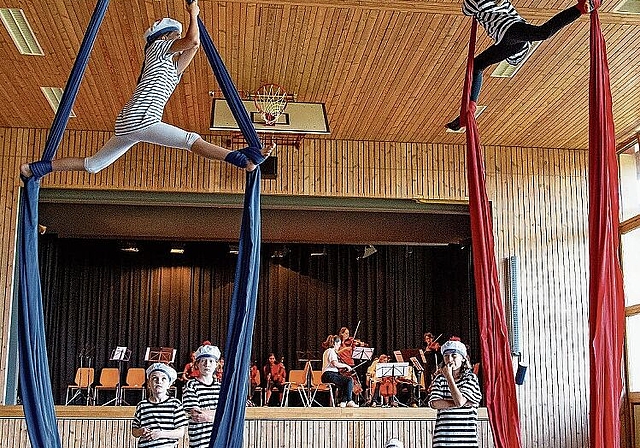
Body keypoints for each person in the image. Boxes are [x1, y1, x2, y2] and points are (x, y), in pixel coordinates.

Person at [20, 0, 274, 180]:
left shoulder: (168, 68)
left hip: (132, 122)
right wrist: (192, 13)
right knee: (190, 140)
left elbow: (194, 46)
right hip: (141, 120)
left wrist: (193, 17)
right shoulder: (156, 49)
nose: (178, 40)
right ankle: (241, 160)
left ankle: (36, 168)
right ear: (165, 38)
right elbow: (192, 40)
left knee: (94, 165)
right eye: (174, 36)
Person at [445, 0, 597, 131]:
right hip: (507, 40)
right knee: (476, 65)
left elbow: (467, 10)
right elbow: (467, 9)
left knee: (542, 33)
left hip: (511, 29)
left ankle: (579, 9)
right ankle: (470, 107)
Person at [428, 338, 482, 448]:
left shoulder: (470, 378)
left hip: (466, 440)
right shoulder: (439, 379)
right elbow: (435, 403)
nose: (450, 359)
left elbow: (459, 401)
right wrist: (460, 403)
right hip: (442, 440)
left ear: (463, 358)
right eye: (446, 356)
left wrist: (449, 378)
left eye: (454, 355)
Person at [132, 363, 188, 448]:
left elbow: (180, 432)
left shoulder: (175, 404)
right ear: (149, 383)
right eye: (155, 378)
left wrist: (160, 434)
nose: (159, 382)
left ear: (169, 384)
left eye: (163, 378)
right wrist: (140, 431)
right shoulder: (142, 406)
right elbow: (134, 431)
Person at [182, 342, 222, 448]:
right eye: (203, 361)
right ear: (197, 364)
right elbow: (196, 414)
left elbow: (227, 412)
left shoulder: (220, 388)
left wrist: (208, 417)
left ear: (216, 365)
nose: (207, 364)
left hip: (218, 439)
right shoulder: (191, 385)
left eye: (211, 361)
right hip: (199, 441)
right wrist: (218, 415)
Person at [321, 335, 358, 408]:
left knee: (345, 383)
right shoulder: (331, 351)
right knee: (349, 380)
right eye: (339, 344)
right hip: (329, 375)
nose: (339, 346)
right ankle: (349, 400)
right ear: (335, 343)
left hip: (327, 375)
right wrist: (346, 366)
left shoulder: (327, 351)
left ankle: (343, 402)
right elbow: (335, 363)